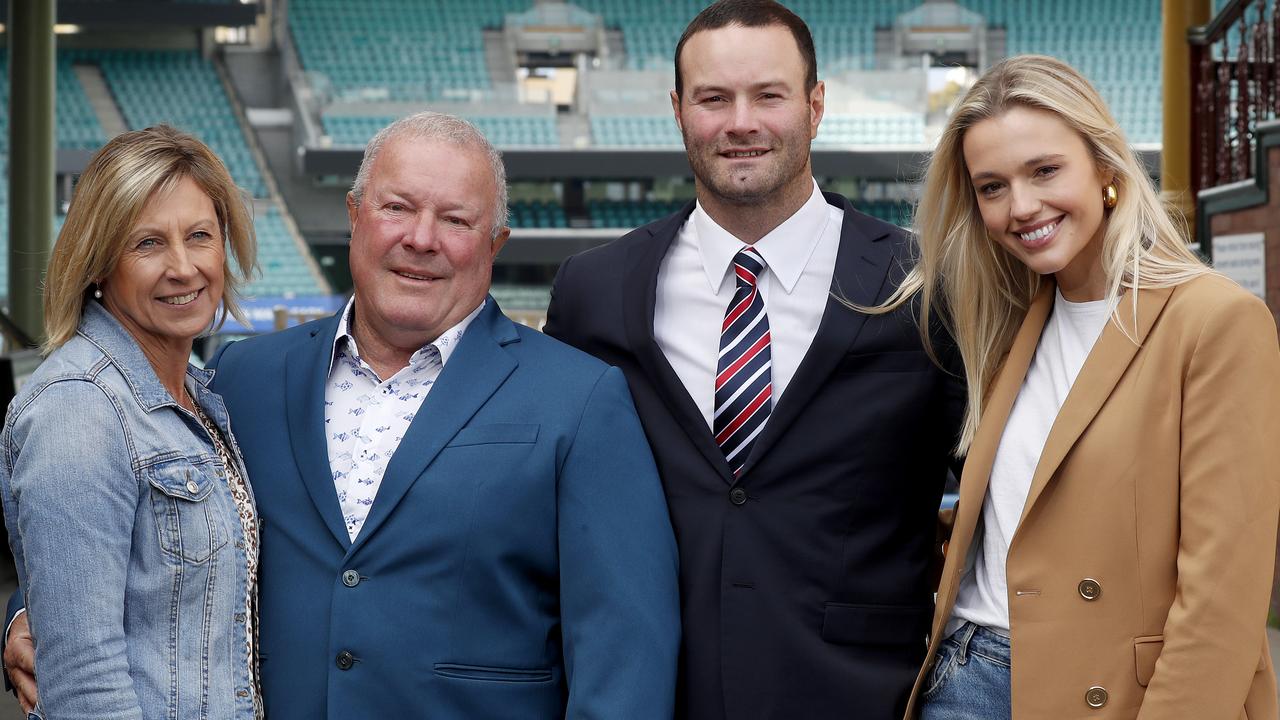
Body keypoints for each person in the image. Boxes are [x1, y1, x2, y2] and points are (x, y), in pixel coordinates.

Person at [6, 112, 680, 718]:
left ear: (495, 241)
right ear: (355, 214)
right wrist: (33, 613)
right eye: (398, 207)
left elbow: (628, 651)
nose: (421, 238)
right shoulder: (244, 378)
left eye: (455, 219)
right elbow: (132, 526)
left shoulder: (581, 398)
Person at [543, 1, 965, 717]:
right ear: (679, 110)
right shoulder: (595, 290)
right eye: (713, 98)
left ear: (815, 104)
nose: (741, 122)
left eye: (768, 94)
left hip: (862, 695)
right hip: (654, 694)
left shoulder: (927, 283)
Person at [878, 55, 1280, 719]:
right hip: (962, 676)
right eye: (992, 187)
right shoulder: (1008, 320)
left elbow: (1222, 598)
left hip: (1112, 695)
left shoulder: (1213, 320)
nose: (1021, 206)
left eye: (1044, 171)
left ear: (1105, 168)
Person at [0, 125, 263, 717]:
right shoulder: (79, 408)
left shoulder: (199, 392)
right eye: (147, 244)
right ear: (98, 264)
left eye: (200, 235)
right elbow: (85, 679)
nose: (183, 267)